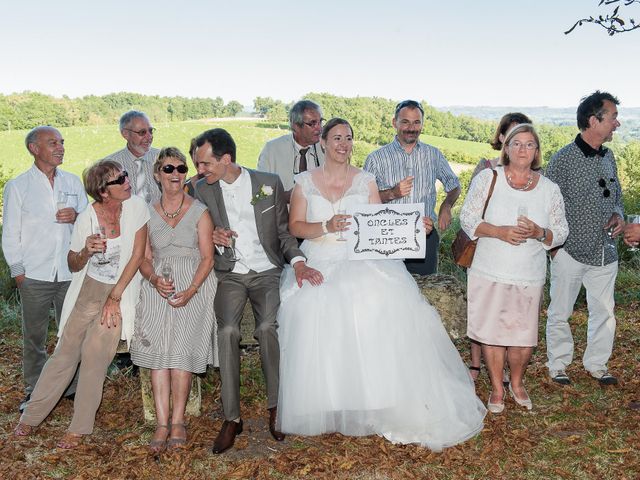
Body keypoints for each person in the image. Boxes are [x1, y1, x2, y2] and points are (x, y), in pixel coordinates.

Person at [277, 118, 486, 450]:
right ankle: (329, 398)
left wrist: (418, 228)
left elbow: (381, 227)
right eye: (336, 138)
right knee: (311, 304)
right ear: (324, 143)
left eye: (348, 137)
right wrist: (326, 225)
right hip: (320, 254)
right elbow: (296, 227)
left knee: (376, 299)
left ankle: (377, 395)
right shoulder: (304, 182)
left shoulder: (366, 180)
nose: (343, 144)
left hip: (362, 257)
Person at [192, 128, 322, 454]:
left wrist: (299, 262)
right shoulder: (200, 190)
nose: (199, 171)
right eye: (197, 164)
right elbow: (192, 232)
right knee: (226, 331)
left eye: (205, 164)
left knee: (267, 328)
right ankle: (231, 417)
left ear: (226, 159)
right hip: (230, 273)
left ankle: (276, 407)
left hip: (266, 271)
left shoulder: (267, 183)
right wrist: (211, 237)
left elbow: (282, 232)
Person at [14, 160, 148, 448]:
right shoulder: (87, 216)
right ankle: (31, 417)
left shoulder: (136, 207)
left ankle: (79, 427)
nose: (127, 181)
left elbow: (137, 256)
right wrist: (86, 250)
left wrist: (115, 297)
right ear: (103, 192)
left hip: (119, 292)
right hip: (88, 291)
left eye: (124, 176)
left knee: (94, 356)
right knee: (63, 354)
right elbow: (72, 263)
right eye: (119, 179)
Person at [460, 124, 568, 413]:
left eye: (529, 144)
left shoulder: (549, 189)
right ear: (506, 148)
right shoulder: (488, 178)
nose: (522, 149)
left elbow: (560, 232)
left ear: (536, 152)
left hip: (528, 273)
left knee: (523, 336)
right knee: (492, 333)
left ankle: (517, 383)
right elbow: (468, 218)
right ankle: (496, 388)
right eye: (516, 143)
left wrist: (538, 232)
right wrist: (499, 232)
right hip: (488, 269)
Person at [130, 147, 217, 452]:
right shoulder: (146, 212)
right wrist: (154, 280)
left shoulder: (199, 211)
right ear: (157, 175)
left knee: (180, 353)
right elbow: (143, 257)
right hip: (158, 285)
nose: (176, 175)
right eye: (168, 169)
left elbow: (208, 257)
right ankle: (161, 423)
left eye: (181, 169)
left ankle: (178, 421)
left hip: (194, 284)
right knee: (158, 357)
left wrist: (191, 290)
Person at [2, 126, 88, 413]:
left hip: (69, 273)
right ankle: (35, 390)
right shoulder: (18, 186)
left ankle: (72, 387)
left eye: (62, 142)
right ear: (34, 148)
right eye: (53, 143)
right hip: (35, 275)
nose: (60, 147)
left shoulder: (74, 183)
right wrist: (18, 272)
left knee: (72, 333)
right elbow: (10, 233)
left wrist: (76, 217)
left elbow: (89, 226)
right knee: (34, 337)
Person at [545, 91, 625, 386]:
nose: (617, 123)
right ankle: (558, 365)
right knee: (560, 311)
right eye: (613, 117)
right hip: (570, 251)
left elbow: (617, 195)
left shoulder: (610, 156)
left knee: (604, 311)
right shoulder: (563, 159)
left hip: (606, 251)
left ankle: (597, 364)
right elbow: (547, 204)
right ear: (594, 120)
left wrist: (618, 214)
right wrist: (555, 248)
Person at [467, 112, 532, 383]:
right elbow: (471, 213)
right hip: (485, 250)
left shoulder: (534, 174)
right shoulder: (486, 169)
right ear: (503, 138)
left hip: (518, 260)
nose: (519, 143)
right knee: (482, 309)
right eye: (513, 134)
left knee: (510, 314)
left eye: (525, 137)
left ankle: (504, 367)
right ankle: (474, 363)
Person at [364, 100, 460, 275]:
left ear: (422, 124)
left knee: (423, 295)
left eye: (416, 122)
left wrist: (446, 206)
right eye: (405, 122)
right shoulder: (375, 159)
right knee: (387, 293)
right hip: (386, 238)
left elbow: (454, 186)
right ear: (395, 123)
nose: (411, 128)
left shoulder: (433, 155)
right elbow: (364, 200)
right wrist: (392, 193)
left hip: (424, 237)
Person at [257, 100, 325, 202]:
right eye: (312, 124)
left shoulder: (327, 148)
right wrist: (285, 197)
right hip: (283, 216)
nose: (319, 129)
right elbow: (259, 194)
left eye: (321, 122)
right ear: (295, 126)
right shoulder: (271, 150)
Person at [104, 110, 161, 204]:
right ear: (125, 134)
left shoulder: (163, 159)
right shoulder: (109, 165)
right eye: (142, 132)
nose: (149, 136)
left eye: (150, 131)